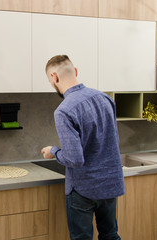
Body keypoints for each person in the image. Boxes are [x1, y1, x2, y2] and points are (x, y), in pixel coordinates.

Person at [41, 55, 125, 240]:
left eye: (50, 81)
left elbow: (74, 159)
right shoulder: (105, 98)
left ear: (54, 77)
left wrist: (53, 151)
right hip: (110, 184)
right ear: (76, 71)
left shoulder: (64, 110)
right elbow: (112, 142)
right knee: (111, 235)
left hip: (83, 189)